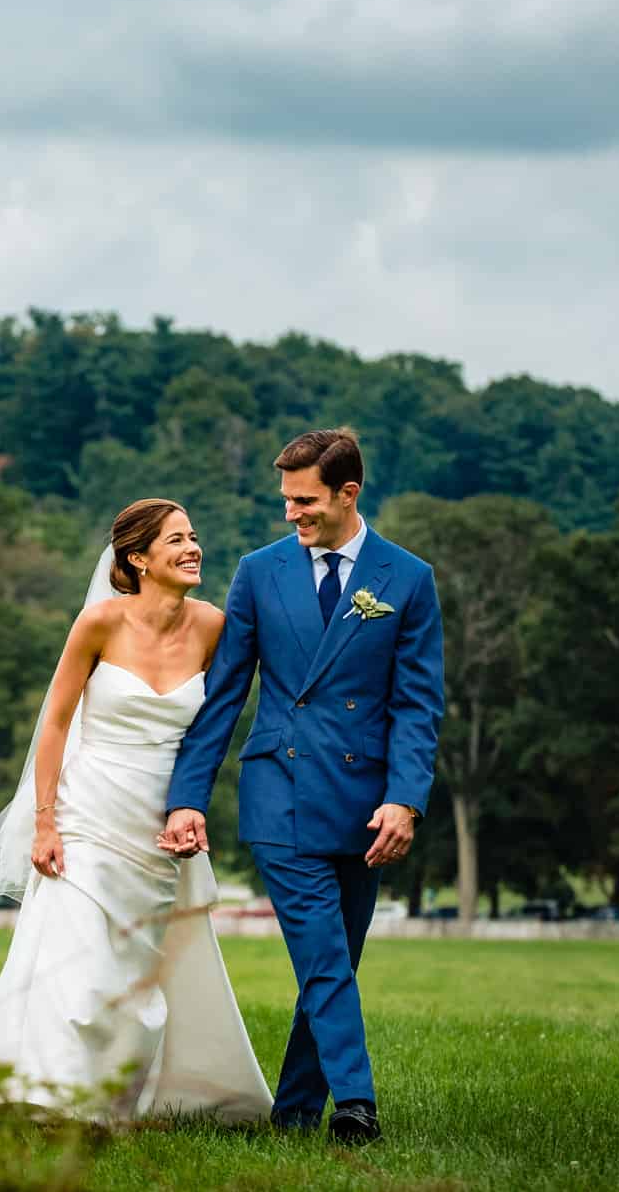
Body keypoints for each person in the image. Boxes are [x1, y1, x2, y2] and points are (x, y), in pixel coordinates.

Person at [160, 427, 443, 1146]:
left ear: (349, 493)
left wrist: (405, 797)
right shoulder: (258, 572)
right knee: (323, 956)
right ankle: (357, 1104)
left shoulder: (408, 578)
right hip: (278, 794)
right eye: (286, 499)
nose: (292, 513)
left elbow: (418, 702)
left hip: (366, 805)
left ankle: (291, 1112)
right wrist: (188, 794)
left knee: (333, 965)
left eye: (305, 499)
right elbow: (225, 694)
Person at [0, 499, 271, 1123]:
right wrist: (45, 822)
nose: (193, 548)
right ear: (138, 558)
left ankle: (126, 1095)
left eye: (194, 537)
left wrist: (191, 807)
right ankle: (55, 1101)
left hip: (160, 823)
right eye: (176, 539)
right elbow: (54, 726)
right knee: (79, 959)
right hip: (88, 813)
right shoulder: (98, 624)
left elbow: (218, 721)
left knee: (139, 967)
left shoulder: (212, 626)